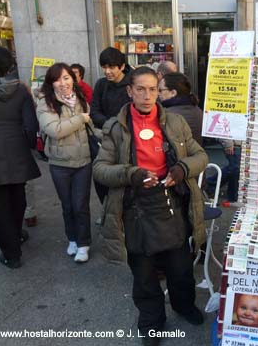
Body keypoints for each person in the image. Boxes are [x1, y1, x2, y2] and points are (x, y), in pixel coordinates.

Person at [92, 66, 207, 345]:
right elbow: (100, 168)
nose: (147, 96)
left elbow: (200, 156)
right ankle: (151, 322)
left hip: (171, 202)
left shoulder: (176, 122)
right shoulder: (115, 127)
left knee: (180, 267)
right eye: (140, 89)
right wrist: (130, 173)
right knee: (144, 274)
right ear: (129, 91)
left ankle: (184, 306)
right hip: (134, 206)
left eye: (153, 89)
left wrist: (181, 169)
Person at [36, 63, 93, 263]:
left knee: (81, 205)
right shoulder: (45, 104)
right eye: (58, 79)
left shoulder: (82, 100)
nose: (63, 83)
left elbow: (90, 127)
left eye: (67, 78)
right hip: (60, 163)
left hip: (83, 161)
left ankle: (84, 243)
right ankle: (73, 239)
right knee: (67, 205)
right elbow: (54, 130)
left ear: (73, 79)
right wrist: (80, 119)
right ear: (51, 83)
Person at [0, 46, 41, 269]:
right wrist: (28, 147)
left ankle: (11, 254)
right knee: (17, 196)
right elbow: (31, 126)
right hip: (17, 150)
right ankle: (16, 234)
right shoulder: (21, 90)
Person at [90, 47, 132, 204]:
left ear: (121, 66)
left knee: (123, 178)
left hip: (126, 138)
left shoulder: (132, 84)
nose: (107, 71)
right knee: (101, 177)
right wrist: (112, 124)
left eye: (111, 67)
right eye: (104, 67)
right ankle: (106, 210)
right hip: (105, 139)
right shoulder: (101, 84)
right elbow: (94, 112)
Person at [158, 72, 203, 146]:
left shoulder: (168, 114)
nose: (157, 93)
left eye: (160, 90)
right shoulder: (197, 110)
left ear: (173, 93)